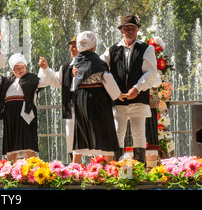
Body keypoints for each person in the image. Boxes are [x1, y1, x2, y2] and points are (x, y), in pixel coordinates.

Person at [100, 15, 158, 163]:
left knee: (138, 133)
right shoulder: (112, 49)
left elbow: (151, 72)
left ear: (137, 30)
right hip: (119, 99)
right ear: (121, 31)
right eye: (127, 28)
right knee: (118, 132)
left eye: (133, 28)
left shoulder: (146, 49)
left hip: (138, 98)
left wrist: (137, 88)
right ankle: (117, 167)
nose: (130, 31)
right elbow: (99, 66)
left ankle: (139, 168)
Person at [70, 31, 126, 159]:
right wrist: (118, 94)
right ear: (93, 46)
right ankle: (111, 170)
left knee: (81, 131)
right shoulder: (98, 62)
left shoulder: (77, 61)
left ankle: (73, 170)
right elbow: (107, 78)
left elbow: (75, 83)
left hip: (80, 98)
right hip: (96, 98)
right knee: (104, 129)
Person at [0, 53, 50, 162]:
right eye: (17, 68)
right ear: (13, 70)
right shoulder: (6, 81)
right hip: (10, 114)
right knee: (11, 144)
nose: (21, 70)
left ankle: (33, 169)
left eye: (22, 67)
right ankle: (10, 171)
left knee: (28, 142)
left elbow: (45, 81)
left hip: (26, 113)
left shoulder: (32, 79)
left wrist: (44, 68)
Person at [38, 36, 82, 163]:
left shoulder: (90, 63)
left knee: (88, 135)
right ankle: (74, 166)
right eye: (70, 46)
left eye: (74, 45)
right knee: (70, 136)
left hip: (86, 106)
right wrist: (45, 68)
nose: (71, 49)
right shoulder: (66, 67)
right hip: (70, 106)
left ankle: (94, 167)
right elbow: (56, 81)